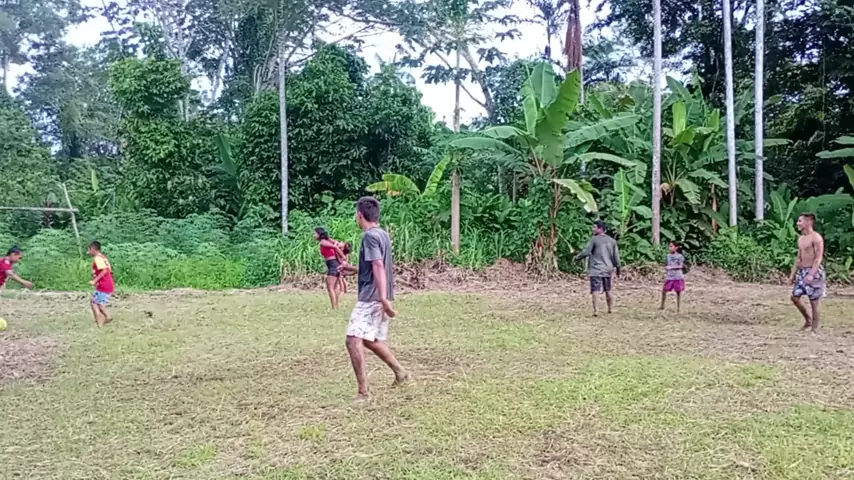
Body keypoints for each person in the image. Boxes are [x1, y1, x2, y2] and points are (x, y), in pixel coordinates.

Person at [338, 197, 409, 402]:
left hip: (372, 295)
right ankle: (401, 373)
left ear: (360, 215)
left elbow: (378, 266)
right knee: (368, 339)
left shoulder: (369, 237)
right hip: (378, 293)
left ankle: (363, 393)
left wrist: (383, 299)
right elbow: (374, 266)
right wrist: (354, 269)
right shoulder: (382, 234)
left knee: (353, 339)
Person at [574, 220, 621, 316]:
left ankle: (596, 310)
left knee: (595, 290)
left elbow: (586, 252)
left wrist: (576, 258)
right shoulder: (612, 241)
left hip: (596, 269)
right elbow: (616, 257)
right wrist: (618, 269)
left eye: (594, 227)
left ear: (600, 229)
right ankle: (610, 309)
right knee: (608, 289)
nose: (593, 229)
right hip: (608, 269)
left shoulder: (594, 239)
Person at [790, 213, 825, 333]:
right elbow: (798, 258)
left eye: (800, 221)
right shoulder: (801, 239)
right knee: (795, 297)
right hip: (803, 271)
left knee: (814, 301)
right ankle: (808, 320)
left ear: (809, 222)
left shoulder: (816, 238)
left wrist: (812, 274)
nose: (797, 223)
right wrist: (793, 274)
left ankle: (815, 328)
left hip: (813, 271)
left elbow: (818, 258)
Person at [314, 227, 346, 309]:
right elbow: (336, 243)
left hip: (332, 264)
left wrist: (343, 256)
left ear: (319, 234)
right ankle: (336, 306)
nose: (314, 235)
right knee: (335, 287)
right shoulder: (328, 240)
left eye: (315, 233)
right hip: (335, 263)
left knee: (330, 287)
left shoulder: (323, 242)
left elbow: (335, 247)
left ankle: (334, 307)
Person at [88, 241, 115, 327]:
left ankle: (107, 317)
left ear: (93, 249)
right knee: (94, 301)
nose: (88, 252)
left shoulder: (98, 258)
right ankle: (99, 323)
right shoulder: (103, 257)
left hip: (104, 284)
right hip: (107, 283)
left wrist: (95, 280)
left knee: (100, 304)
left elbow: (104, 270)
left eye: (89, 249)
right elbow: (109, 270)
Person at [659, 242, 685, 312]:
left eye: (671, 246)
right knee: (664, 290)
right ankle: (662, 306)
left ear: (676, 247)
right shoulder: (668, 256)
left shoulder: (679, 256)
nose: (670, 248)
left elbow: (681, 266)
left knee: (678, 292)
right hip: (669, 276)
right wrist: (665, 272)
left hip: (677, 276)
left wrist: (671, 267)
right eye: (669, 246)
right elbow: (666, 264)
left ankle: (678, 308)